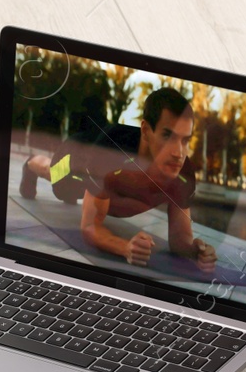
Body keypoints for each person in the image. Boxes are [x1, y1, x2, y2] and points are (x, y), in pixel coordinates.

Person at [18, 87, 217, 274]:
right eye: (168, 136)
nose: (178, 153)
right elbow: (89, 226)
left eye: (185, 140)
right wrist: (125, 247)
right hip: (77, 156)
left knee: (84, 194)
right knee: (55, 178)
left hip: (104, 181)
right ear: (146, 131)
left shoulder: (183, 174)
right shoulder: (110, 155)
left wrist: (196, 251)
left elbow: (180, 239)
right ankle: (30, 164)